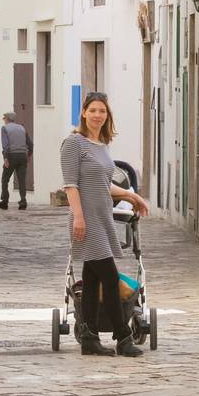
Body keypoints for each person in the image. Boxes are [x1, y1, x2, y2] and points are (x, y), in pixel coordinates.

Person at [61, 92, 149, 357]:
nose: (98, 115)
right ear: (84, 113)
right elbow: (70, 184)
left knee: (91, 279)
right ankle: (123, 338)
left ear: (107, 116)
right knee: (110, 277)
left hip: (102, 216)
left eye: (103, 111)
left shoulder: (100, 145)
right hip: (86, 219)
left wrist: (131, 195)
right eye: (94, 110)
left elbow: (102, 184)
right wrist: (78, 217)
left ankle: (89, 338)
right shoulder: (73, 143)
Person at [0, 111, 33, 210]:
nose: (3, 120)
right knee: (22, 180)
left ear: (7, 119)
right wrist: (29, 155)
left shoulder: (5, 128)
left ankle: (4, 201)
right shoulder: (22, 128)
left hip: (11, 156)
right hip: (22, 156)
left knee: (5, 179)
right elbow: (30, 144)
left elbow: (5, 145)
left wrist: (5, 158)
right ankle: (23, 201)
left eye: (4, 118)